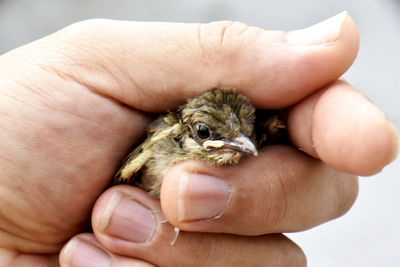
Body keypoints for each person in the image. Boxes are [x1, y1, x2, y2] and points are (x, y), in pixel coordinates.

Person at [0, 12, 397, 266]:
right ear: (186, 132)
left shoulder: (266, 130)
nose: (239, 144)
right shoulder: (158, 150)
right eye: (208, 135)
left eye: (246, 134)